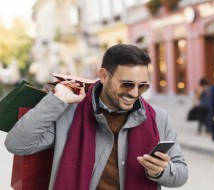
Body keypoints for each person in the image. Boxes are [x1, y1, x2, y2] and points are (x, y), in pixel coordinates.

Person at [5, 44, 188, 190]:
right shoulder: (69, 112)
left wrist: (161, 171)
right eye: (127, 84)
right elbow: (17, 144)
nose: (134, 93)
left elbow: (181, 173)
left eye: (142, 86)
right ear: (103, 76)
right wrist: (56, 100)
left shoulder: (159, 118)